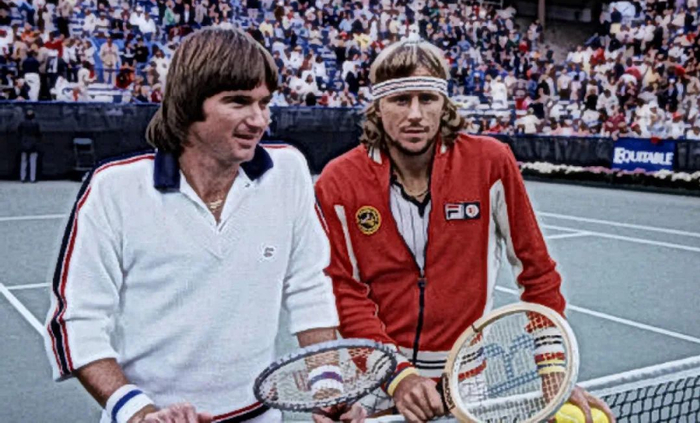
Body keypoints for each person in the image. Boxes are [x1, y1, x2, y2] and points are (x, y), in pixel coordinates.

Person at [43, 27, 358, 423]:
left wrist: (328, 387)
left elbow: (310, 286)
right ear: (190, 103)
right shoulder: (113, 188)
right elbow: (75, 322)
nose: (259, 120)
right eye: (238, 102)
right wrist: (140, 413)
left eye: (265, 103)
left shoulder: (289, 170)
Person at [315, 39, 616, 423]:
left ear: (444, 103)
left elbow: (536, 270)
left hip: (466, 379)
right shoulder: (339, 180)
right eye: (400, 100)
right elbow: (345, 291)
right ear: (377, 106)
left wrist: (555, 372)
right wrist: (398, 377)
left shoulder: (490, 162)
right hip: (376, 379)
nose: (415, 114)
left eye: (427, 99)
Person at [18, 109, 41, 182]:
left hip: (24, 143)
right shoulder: (36, 123)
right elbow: (38, 134)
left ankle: (23, 177)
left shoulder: (22, 123)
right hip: (33, 143)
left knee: (23, 161)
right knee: (33, 161)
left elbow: (19, 132)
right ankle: (32, 178)